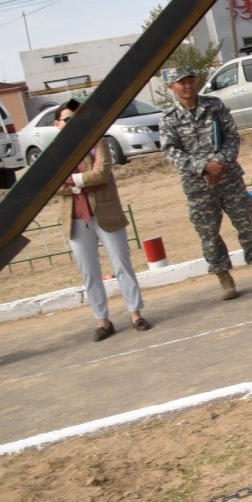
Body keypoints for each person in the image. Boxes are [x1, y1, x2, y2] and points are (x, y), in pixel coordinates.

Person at [159, 65, 252, 301]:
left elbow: (232, 137)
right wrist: (204, 167)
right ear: (171, 87)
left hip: (229, 177)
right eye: (181, 82)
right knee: (209, 233)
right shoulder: (168, 119)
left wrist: (219, 162)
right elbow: (170, 152)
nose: (187, 86)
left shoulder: (214, 106)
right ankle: (224, 279)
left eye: (190, 80)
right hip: (198, 185)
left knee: (245, 223)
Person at [51, 100, 149, 341]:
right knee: (89, 272)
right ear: (57, 125)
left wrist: (71, 182)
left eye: (76, 119)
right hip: (74, 216)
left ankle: (135, 314)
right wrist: (80, 184)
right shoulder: (54, 152)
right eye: (67, 120)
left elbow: (102, 173)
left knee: (121, 264)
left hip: (105, 211)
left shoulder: (98, 141)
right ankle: (102, 320)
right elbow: (53, 184)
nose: (73, 124)